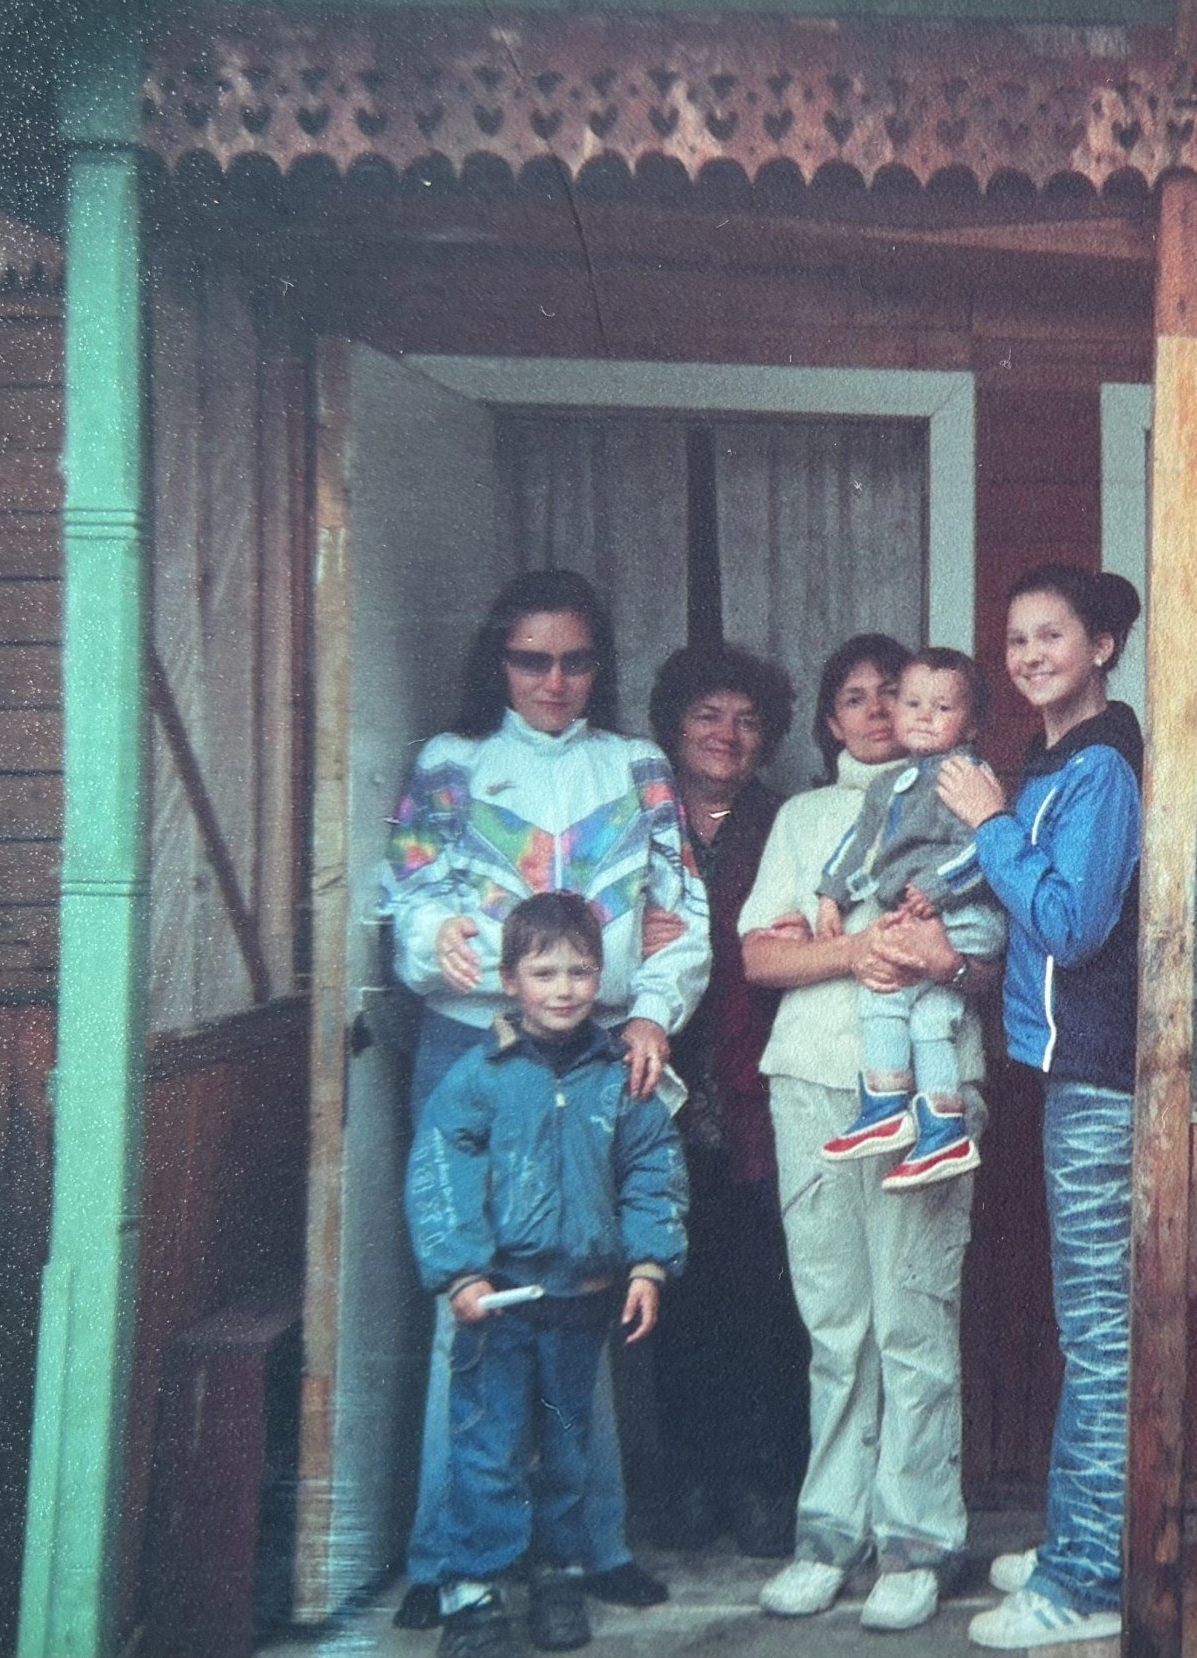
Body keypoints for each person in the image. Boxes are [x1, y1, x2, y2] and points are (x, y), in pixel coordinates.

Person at [382, 569, 707, 1626]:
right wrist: (438, 940)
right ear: (499, 660)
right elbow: (408, 901)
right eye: (533, 659)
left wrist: (654, 1009)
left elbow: (679, 911)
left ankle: (589, 1545)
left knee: (586, 1296)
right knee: (471, 1312)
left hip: (598, 1053)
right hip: (473, 1047)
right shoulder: (452, 763)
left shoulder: (636, 765)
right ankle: (446, 1562)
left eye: (575, 659)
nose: (555, 680)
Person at [736, 633, 998, 1635]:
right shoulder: (806, 817)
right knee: (837, 1321)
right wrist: (861, 947)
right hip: (812, 1082)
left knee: (913, 1317)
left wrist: (929, 955)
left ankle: (917, 1536)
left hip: (930, 1089)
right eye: (856, 696)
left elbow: (984, 958)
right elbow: (762, 957)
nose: (881, 710)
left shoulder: (964, 799)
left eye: (899, 693)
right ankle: (828, 1529)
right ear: (831, 720)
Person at [938, 565, 1145, 1651]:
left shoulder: (1102, 765)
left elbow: (1070, 924)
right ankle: (1080, 1533)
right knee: (1091, 1328)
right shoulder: (1056, 758)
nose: (1026, 656)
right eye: (1014, 638)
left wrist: (989, 825)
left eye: (1050, 635)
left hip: (1101, 1083)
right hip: (1065, 1076)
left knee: (1102, 1337)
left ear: (1102, 645)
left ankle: (1084, 1583)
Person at [406, 892, 688, 1658]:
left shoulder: (618, 1076)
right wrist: (460, 1271)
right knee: (488, 1445)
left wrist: (648, 1264)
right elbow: (440, 1173)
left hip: (583, 1300)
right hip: (498, 1303)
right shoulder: (481, 1076)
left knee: (566, 1446)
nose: (563, 988)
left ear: (601, 976)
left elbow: (650, 1172)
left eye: (580, 970)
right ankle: (474, 1589)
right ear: (509, 980)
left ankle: (561, 1572)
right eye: (544, 971)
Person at [639, 642, 809, 1557]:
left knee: (759, 1295)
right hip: (655, 1088)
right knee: (672, 1286)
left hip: (748, 1092)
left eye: (746, 720)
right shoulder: (639, 819)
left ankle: (759, 1484)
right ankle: (690, 1480)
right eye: (708, 715)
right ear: (674, 725)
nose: (727, 734)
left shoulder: (782, 823)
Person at [812, 646, 1007, 1189]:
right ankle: (943, 1127)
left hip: (965, 916)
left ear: (970, 726)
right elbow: (859, 848)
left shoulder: (962, 774)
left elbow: (989, 844)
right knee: (929, 1019)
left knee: (886, 991)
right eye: (913, 702)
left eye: (942, 708)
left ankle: (884, 1104)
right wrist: (831, 895)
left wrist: (937, 888)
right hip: (934, 915)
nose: (923, 716)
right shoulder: (890, 785)